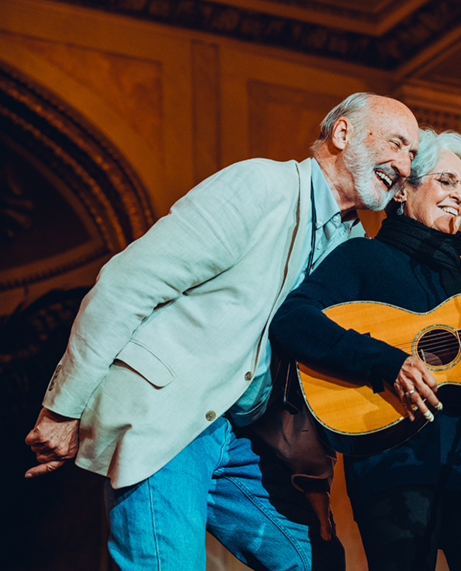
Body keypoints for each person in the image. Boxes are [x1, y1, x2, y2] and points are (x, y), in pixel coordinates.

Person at [23, 92, 419, 571]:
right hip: (168, 420)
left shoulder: (351, 243)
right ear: (342, 134)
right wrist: (62, 409)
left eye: (413, 155)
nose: (404, 165)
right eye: (397, 145)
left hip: (239, 438)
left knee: (317, 562)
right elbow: (126, 286)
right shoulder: (259, 185)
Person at [270, 128, 461, 571]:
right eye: (446, 181)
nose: (459, 195)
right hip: (392, 472)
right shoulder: (361, 259)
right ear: (404, 189)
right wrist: (388, 361)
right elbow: (293, 321)